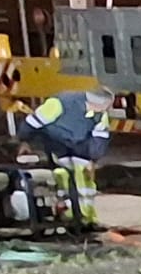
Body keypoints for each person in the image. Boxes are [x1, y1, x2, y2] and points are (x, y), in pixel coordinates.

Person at [19, 86, 113, 226]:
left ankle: (87, 218)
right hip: (56, 144)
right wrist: (24, 141)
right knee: (64, 175)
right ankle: (68, 215)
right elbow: (33, 122)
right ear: (98, 104)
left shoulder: (100, 114)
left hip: (80, 146)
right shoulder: (60, 103)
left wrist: (93, 160)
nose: (107, 110)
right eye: (106, 107)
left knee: (84, 180)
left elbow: (99, 138)